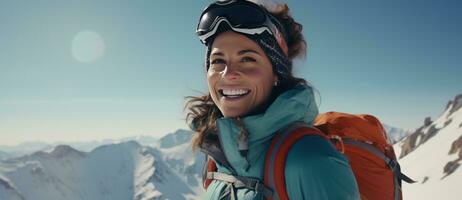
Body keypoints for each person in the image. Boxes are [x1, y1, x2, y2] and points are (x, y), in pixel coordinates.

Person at [185, 0, 360, 199]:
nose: (228, 73)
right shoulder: (219, 155)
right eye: (218, 61)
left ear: (276, 73)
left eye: (247, 59)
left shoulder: (311, 161)